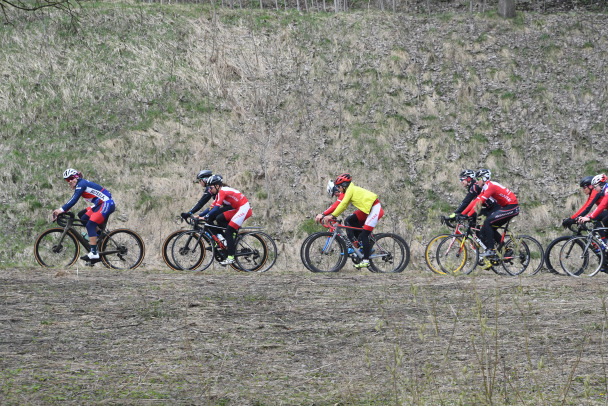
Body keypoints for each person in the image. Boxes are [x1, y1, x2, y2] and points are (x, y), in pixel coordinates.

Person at [320, 173, 384, 269]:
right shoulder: (348, 190)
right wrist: (332, 216)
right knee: (350, 220)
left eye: (339, 187)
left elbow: (343, 204)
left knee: (364, 235)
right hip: (367, 210)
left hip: (375, 208)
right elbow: (343, 205)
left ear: (344, 186)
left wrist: (332, 216)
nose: (338, 189)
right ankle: (361, 245)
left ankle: (366, 260)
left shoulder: (349, 190)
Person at [52, 168, 115, 262]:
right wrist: (63, 210)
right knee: (83, 216)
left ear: (76, 177)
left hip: (106, 203)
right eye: (67, 180)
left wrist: (61, 210)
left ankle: (94, 253)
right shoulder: (80, 183)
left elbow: (74, 199)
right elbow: (73, 199)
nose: (69, 181)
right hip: (100, 204)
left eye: (71, 178)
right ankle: (99, 236)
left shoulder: (81, 184)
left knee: (90, 224)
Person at [460, 169, 519, 268]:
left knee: (487, 222)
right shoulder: (485, 187)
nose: (476, 181)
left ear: (484, 179)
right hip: (506, 207)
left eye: (478, 179)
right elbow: (475, 202)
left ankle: (491, 249)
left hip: (511, 207)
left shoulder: (490, 186)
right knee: (489, 227)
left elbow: (480, 202)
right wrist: (463, 214)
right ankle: (505, 250)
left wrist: (468, 215)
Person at [199, 175, 252, 266]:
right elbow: (211, 208)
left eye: (211, 187)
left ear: (217, 186)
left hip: (244, 208)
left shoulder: (222, 191)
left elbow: (216, 209)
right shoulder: (220, 193)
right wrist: (199, 215)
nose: (210, 190)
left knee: (228, 231)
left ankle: (231, 258)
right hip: (238, 208)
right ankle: (230, 238)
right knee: (220, 218)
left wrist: (205, 217)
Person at [577, 174, 608, 239]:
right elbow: (598, 208)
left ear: (600, 185)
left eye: (595, 187)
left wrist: (589, 217)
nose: (595, 189)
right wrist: (589, 216)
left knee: (605, 219)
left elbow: (602, 205)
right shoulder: (605, 190)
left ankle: (605, 239)